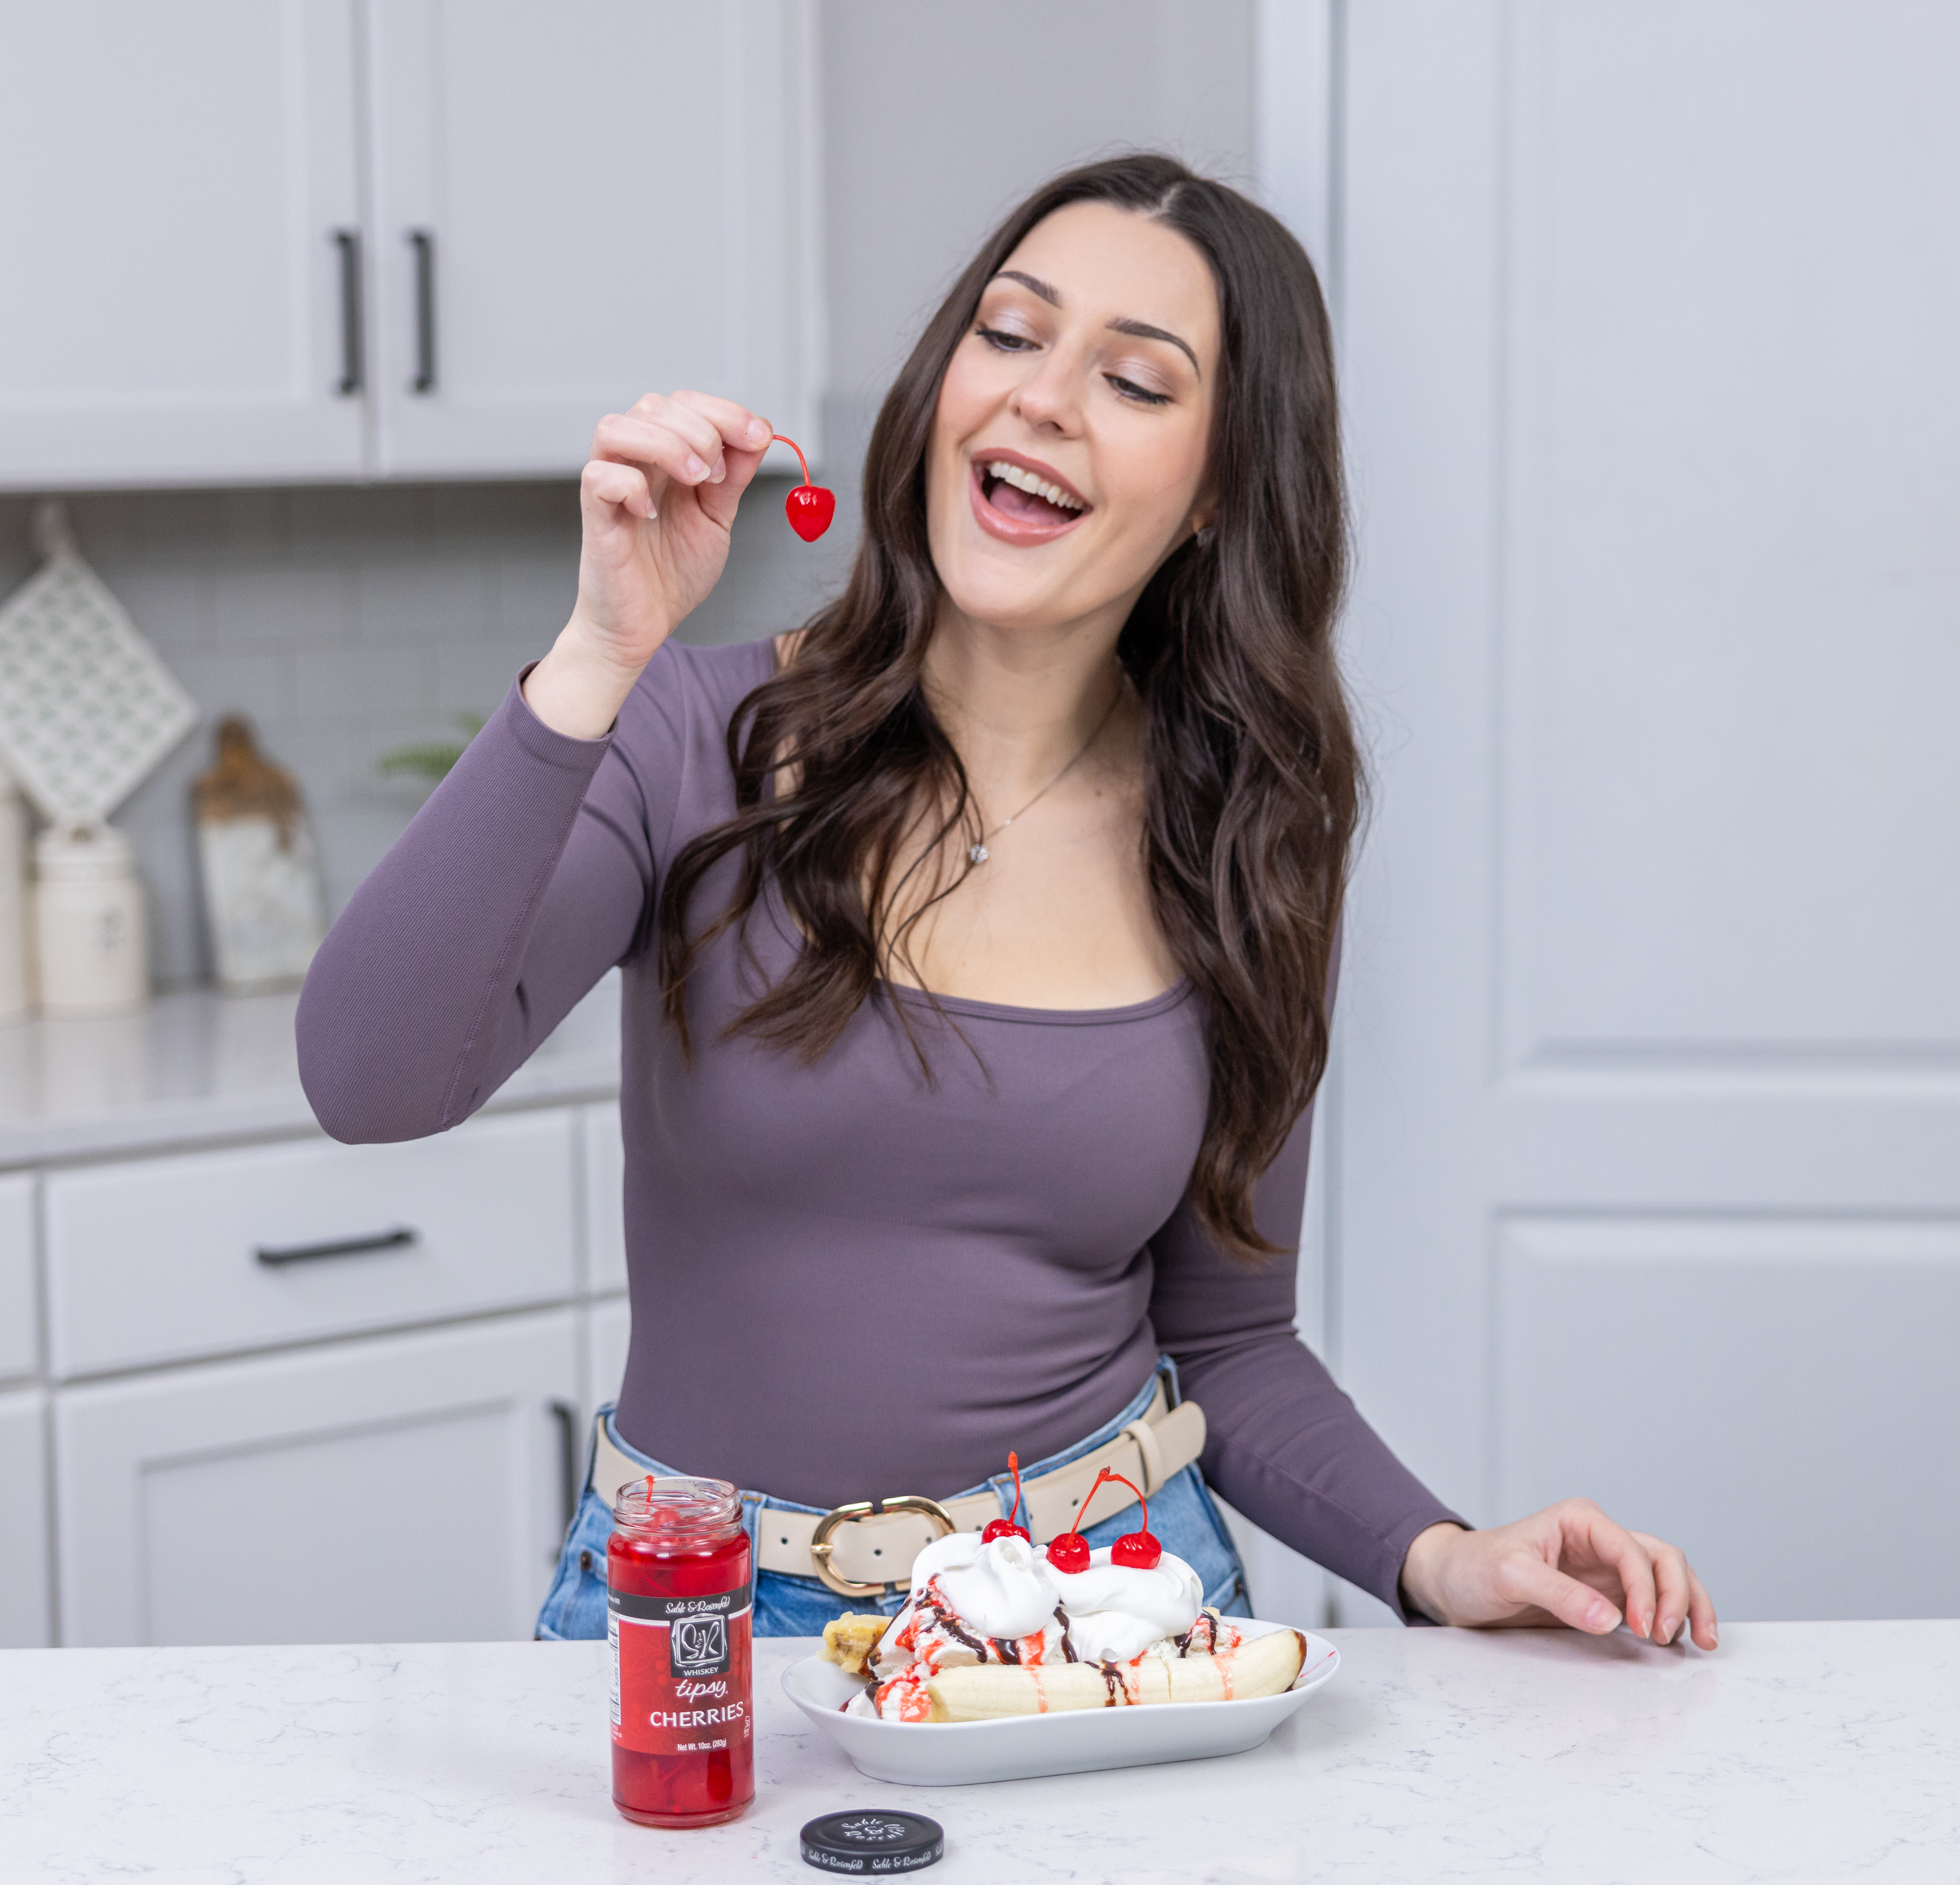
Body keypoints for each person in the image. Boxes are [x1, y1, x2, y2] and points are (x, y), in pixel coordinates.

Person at [297, 154, 1716, 1653]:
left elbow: (1230, 1341)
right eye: (1013, 332)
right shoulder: (690, 738)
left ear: (1223, 484)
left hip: (1106, 1619)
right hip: (698, 1620)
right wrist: (600, 647)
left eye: (1137, 380)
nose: (1043, 397)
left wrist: (1438, 1555)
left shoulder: (1248, 841)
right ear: (945, 386)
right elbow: (371, 1081)